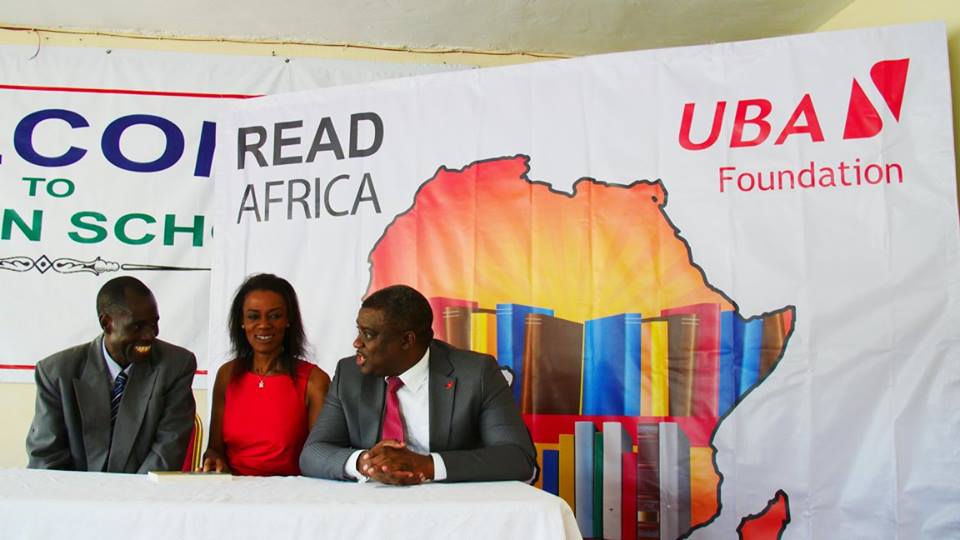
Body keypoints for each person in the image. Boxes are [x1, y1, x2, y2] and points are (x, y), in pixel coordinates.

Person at [299, 284, 537, 484]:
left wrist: (426, 465)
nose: (356, 343)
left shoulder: (476, 373)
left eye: (368, 334)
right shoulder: (349, 374)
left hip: (453, 510)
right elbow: (312, 453)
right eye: (358, 331)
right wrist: (365, 463)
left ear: (407, 340)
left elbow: (518, 458)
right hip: (371, 507)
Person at [26, 276, 197, 473]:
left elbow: (166, 454)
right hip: (71, 490)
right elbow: (46, 457)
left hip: (143, 491)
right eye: (138, 326)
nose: (150, 334)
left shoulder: (176, 365)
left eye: (154, 323)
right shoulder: (56, 373)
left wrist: (127, 493)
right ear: (107, 323)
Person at [202, 273, 330, 476]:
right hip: (231, 490)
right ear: (242, 321)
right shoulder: (227, 375)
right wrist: (213, 460)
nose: (263, 325)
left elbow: (321, 456)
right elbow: (214, 449)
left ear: (288, 320)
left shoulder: (315, 381)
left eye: (274, 316)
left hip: (292, 491)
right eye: (253, 316)